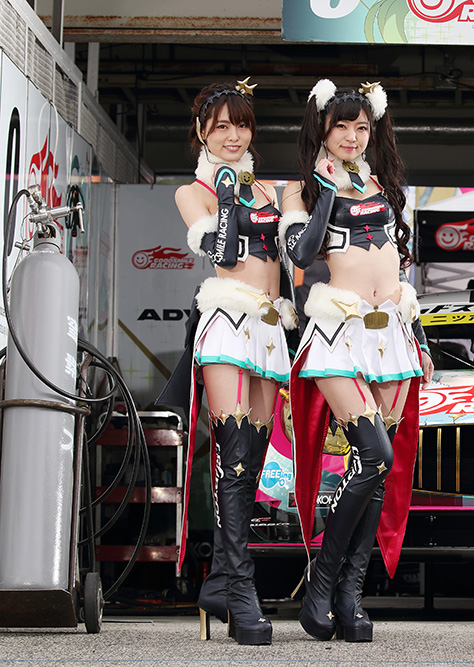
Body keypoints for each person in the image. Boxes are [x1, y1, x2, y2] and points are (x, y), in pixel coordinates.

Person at [280, 79, 427, 643]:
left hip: (392, 333)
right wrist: (326, 190)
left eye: (361, 127)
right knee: (375, 454)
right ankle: (321, 583)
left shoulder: (384, 183)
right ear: (321, 127)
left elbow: (399, 267)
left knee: (378, 468)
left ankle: (349, 595)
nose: (351, 136)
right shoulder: (300, 191)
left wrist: (419, 337)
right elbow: (301, 253)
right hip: (337, 331)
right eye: (340, 125)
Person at [165, 78, 295, 645]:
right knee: (234, 457)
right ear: (202, 132)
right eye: (221, 126)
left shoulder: (271, 189)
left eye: (241, 125)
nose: (233, 136)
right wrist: (225, 195)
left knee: (254, 464)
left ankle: (220, 582)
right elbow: (221, 250)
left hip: (270, 328)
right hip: (225, 322)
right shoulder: (192, 191)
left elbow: (292, 260)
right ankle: (241, 592)